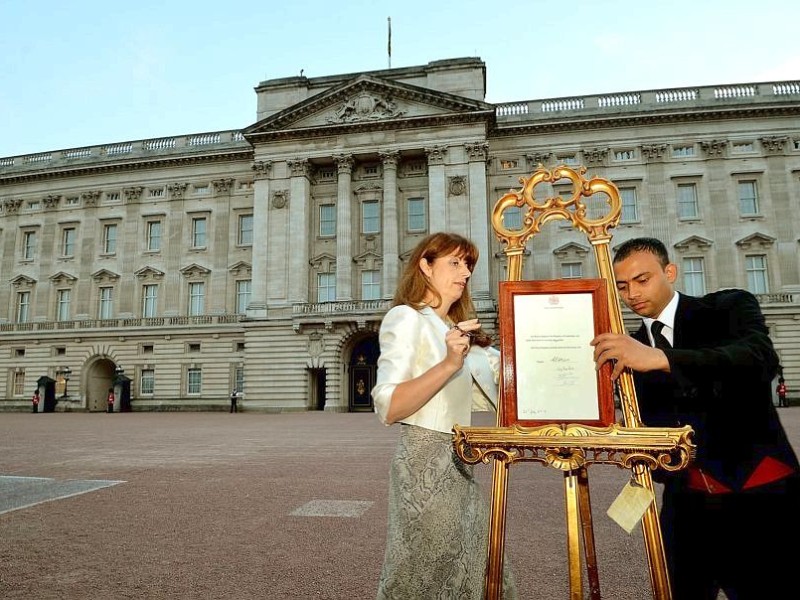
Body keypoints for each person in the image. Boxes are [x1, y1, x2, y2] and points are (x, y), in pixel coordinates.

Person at [591, 237, 800, 599]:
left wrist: (662, 359)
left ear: (669, 272)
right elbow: (657, 439)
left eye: (643, 280)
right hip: (687, 509)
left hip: (761, 501)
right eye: (622, 286)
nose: (632, 294)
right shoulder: (626, 350)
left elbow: (759, 360)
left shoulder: (729, 306)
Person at [372, 232, 516, 600]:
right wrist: (451, 362)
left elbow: (510, 381)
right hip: (423, 465)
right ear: (425, 265)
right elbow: (388, 405)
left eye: (468, 265)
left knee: (478, 565)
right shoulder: (406, 318)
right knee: (428, 570)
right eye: (455, 262)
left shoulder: (458, 329)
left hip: (461, 462)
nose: (465, 273)